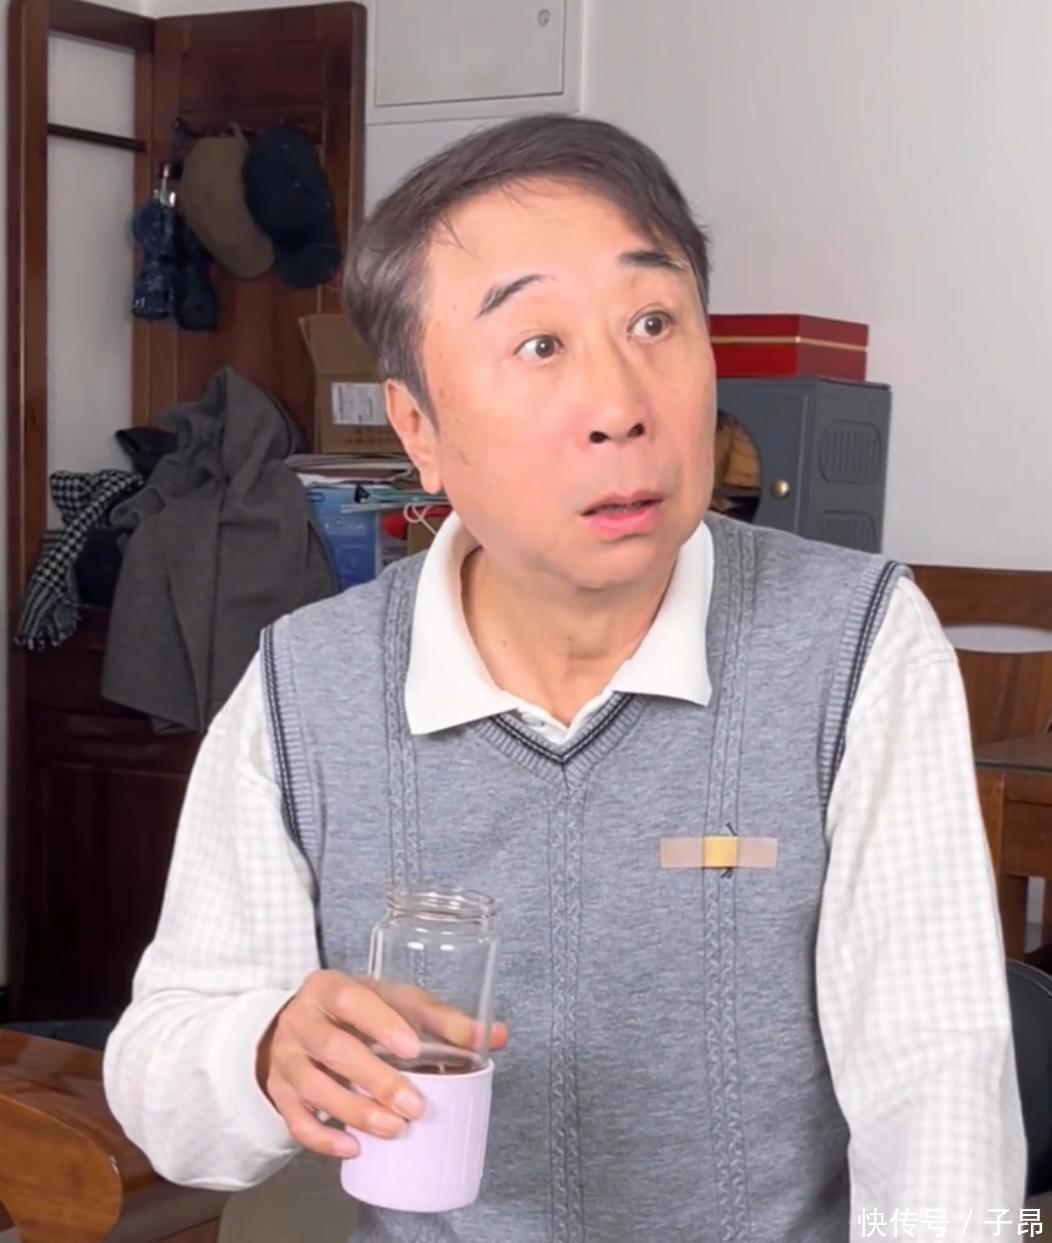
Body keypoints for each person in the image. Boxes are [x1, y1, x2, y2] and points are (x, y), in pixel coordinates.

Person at [104, 114, 1024, 1241]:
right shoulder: (306, 686)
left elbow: (935, 1083)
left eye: (653, 322)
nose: (622, 406)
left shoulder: (857, 641)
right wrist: (262, 1051)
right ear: (418, 428)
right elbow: (165, 1080)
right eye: (539, 344)